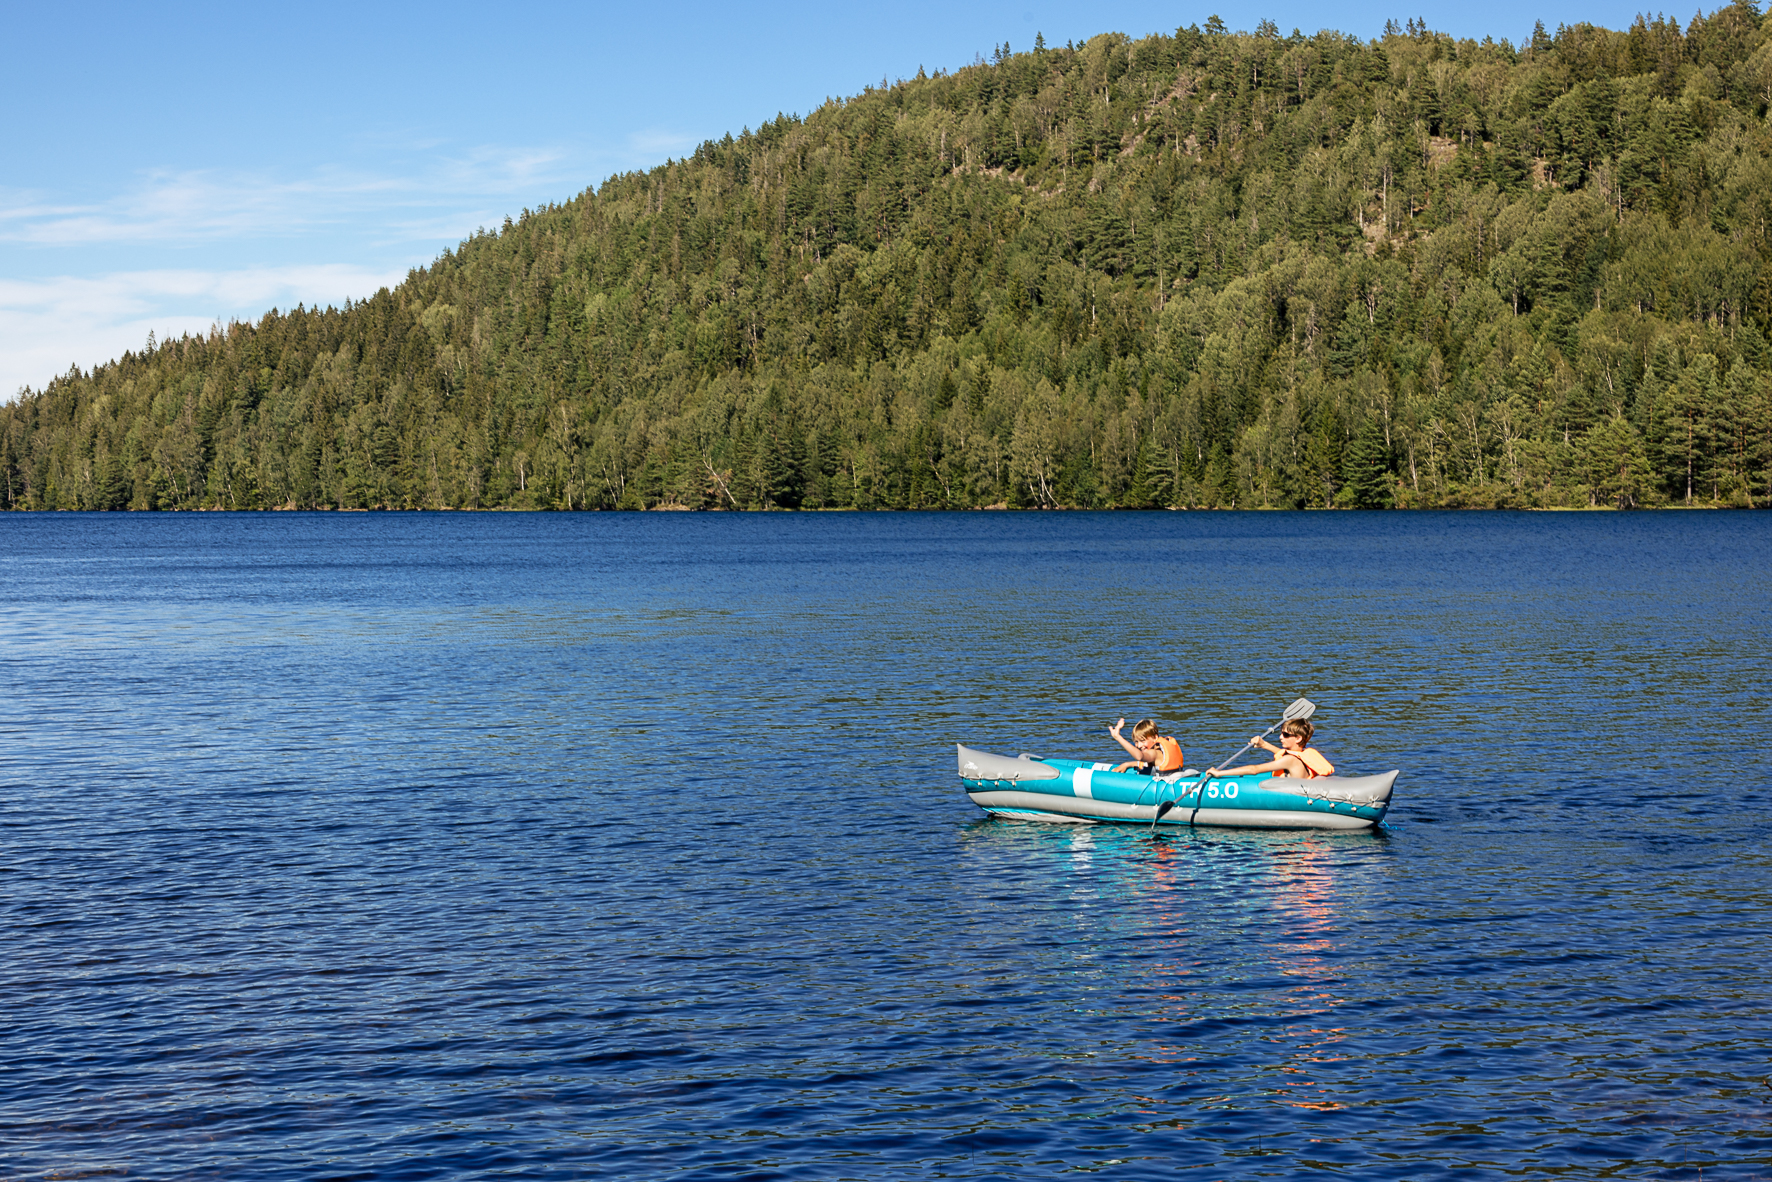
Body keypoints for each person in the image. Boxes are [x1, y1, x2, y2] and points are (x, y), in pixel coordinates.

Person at [1208, 718, 1334, 779]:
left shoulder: (1290, 760)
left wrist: (1219, 773)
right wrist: (1264, 745)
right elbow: (1283, 754)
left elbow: (1255, 769)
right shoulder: (1304, 755)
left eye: (1286, 735)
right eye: (1281, 733)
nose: (1280, 737)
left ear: (1298, 738)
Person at [1108, 717, 1185, 774]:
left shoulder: (1155, 753)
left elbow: (1140, 757)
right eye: (1136, 742)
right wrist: (1126, 764)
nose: (1139, 745)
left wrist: (1118, 737)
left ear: (1155, 738)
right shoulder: (1158, 753)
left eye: (1142, 741)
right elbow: (1142, 762)